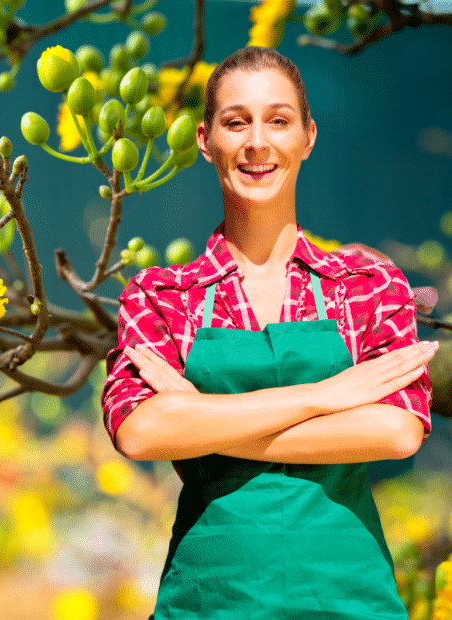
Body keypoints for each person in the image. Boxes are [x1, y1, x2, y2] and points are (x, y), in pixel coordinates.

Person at [101, 46, 434, 619]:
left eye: (278, 120)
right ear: (206, 141)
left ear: (308, 136)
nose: (258, 142)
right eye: (237, 122)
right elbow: (139, 433)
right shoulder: (161, 295)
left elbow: (397, 430)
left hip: (350, 603)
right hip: (207, 604)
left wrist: (202, 416)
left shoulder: (366, 282)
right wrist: (323, 397)